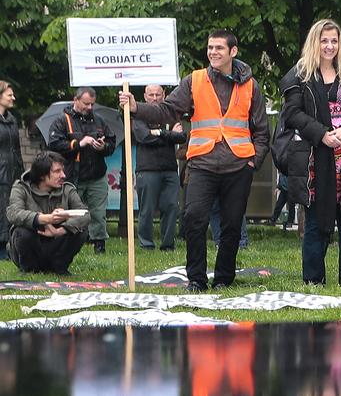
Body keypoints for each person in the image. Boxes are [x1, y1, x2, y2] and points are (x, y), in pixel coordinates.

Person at [121, 30, 270, 291]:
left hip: (239, 165)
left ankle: (224, 279)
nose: (213, 52)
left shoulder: (251, 86)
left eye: (219, 48)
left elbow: (261, 130)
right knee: (194, 219)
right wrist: (136, 108)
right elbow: (167, 109)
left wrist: (253, 162)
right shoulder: (195, 80)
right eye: (210, 47)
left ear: (232, 52)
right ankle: (197, 279)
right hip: (202, 164)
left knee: (232, 225)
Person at [281, 19, 341, 287]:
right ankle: (313, 280)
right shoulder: (300, 76)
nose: (329, 46)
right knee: (315, 222)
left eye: (334, 41)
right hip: (315, 157)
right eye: (324, 40)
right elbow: (292, 114)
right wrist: (322, 133)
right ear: (315, 42)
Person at [47, 86, 116, 254]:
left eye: (92, 104)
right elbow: (54, 145)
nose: (90, 107)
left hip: (97, 174)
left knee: (98, 213)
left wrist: (103, 147)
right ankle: (68, 242)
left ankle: (99, 244)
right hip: (72, 175)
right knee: (72, 212)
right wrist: (79, 143)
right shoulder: (62, 120)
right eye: (86, 103)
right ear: (75, 100)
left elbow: (111, 143)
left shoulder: (99, 120)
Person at [6, 152, 90, 273]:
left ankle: (59, 266)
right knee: (22, 232)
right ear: (42, 175)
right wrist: (46, 219)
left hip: (56, 243)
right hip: (33, 243)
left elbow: (85, 214)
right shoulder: (21, 188)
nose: (63, 175)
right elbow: (13, 213)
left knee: (81, 230)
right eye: (57, 171)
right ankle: (29, 269)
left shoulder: (67, 189)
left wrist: (61, 229)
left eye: (63, 170)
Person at [131, 83, 185, 252]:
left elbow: (182, 137)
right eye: (151, 95)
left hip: (170, 169)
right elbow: (144, 137)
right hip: (147, 169)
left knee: (171, 207)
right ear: (145, 97)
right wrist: (169, 135)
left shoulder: (170, 114)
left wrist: (159, 133)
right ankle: (146, 244)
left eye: (158, 94)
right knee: (146, 210)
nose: (154, 98)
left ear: (164, 95)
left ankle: (168, 244)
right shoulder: (137, 115)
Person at [0, 81, 22, 261]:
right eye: (9, 95)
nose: (13, 98)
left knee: (9, 209)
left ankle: (8, 246)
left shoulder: (12, 119)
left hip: (12, 171)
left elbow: (16, 148)